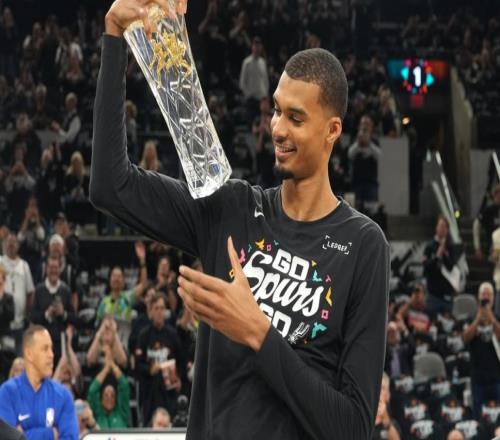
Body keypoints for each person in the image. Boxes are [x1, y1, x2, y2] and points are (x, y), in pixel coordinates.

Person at [91, 1, 390, 439]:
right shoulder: (232, 209)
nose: (278, 128)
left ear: (332, 130)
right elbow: (110, 185)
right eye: (276, 110)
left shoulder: (364, 244)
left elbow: (352, 428)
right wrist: (115, 35)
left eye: (296, 118)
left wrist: (258, 333)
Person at [0, 325, 79, 439]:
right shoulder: (7, 393)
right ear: (29, 353)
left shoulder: (64, 396)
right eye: (45, 349)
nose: (51, 355)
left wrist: (23, 434)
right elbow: (7, 437)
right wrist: (51, 434)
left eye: (51, 349)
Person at [135, 292, 186, 425]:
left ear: (165, 311)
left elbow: (181, 360)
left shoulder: (172, 334)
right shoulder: (143, 335)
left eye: (162, 308)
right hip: (149, 391)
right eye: (156, 308)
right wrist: (150, 369)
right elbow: (137, 365)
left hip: (169, 391)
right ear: (151, 311)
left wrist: (179, 379)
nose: (159, 312)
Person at [463, 282, 500, 419]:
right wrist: (478, 319)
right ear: (478, 298)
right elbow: (465, 338)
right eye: (483, 294)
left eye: (488, 294)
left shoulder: (497, 318)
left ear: (493, 299)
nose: (486, 297)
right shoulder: (471, 318)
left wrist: (492, 319)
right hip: (478, 376)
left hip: (496, 375)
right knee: (479, 415)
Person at [31, 257, 75, 365]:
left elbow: (74, 318)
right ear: (46, 269)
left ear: (60, 270)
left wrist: (63, 313)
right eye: (51, 267)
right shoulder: (39, 290)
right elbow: (33, 316)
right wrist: (46, 314)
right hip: (42, 340)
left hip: (60, 341)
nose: (53, 271)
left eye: (56, 267)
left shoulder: (66, 290)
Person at [0, 233, 35, 354]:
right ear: (3, 245)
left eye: (13, 242)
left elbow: (30, 293)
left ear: (18, 246)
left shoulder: (24, 266)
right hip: (2, 324)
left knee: (19, 358)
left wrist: (27, 315)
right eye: (8, 242)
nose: (11, 245)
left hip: (19, 324)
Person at [87, 345, 130, 429]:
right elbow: (92, 391)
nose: (109, 398)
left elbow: (124, 385)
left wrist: (112, 364)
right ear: (101, 398)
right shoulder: (97, 413)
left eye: (112, 395)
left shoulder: (122, 412)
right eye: (106, 395)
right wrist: (106, 368)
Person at [423, 216, 457, 317]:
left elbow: (451, 267)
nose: (442, 229)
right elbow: (426, 267)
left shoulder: (450, 247)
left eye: (445, 227)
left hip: (447, 294)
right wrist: (437, 256)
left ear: (447, 230)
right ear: (436, 227)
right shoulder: (429, 246)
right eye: (440, 226)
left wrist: (445, 254)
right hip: (433, 294)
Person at [473, 184, 500, 260]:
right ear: (495, 195)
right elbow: (476, 224)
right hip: (492, 247)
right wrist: (477, 247)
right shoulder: (488, 210)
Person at [371, 373, 401, 440]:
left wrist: (385, 418)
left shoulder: (393, 424)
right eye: (375, 387)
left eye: (382, 388)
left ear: (388, 395)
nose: (378, 391)